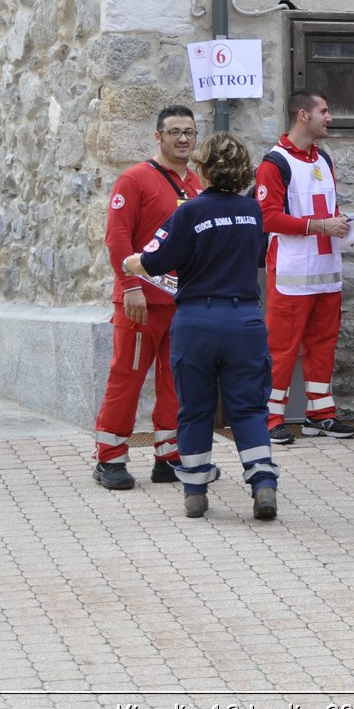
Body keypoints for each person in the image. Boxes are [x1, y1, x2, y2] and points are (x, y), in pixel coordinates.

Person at [124, 133, 279, 519]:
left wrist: (130, 264)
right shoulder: (252, 212)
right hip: (244, 319)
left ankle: (194, 489)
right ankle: (262, 483)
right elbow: (257, 255)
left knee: (195, 409)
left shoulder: (190, 212)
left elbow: (155, 261)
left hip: (197, 321)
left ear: (204, 169)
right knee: (249, 409)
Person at [92, 105, 203, 491]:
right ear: (158, 136)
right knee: (127, 378)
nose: (183, 139)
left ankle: (168, 457)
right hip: (140, 304)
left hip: (182, 304)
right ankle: (110, 459)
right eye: (174, 132)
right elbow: (118, 239)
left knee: (177, 383)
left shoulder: (196, 184)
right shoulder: (134, 179)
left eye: (189, 131)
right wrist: (131, 288)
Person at [256, 91, 354, 445]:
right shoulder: (275, 162)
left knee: (323, 344)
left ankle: (320, 415)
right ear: (303, 115)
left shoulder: (323, 159)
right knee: (281, 348)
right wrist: (320, 226)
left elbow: (327, 205)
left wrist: (344, 225)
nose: (329, 118)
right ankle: (270, 419)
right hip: (291, 274)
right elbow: (267, 218)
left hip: (327, 272)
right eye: (324, 111)